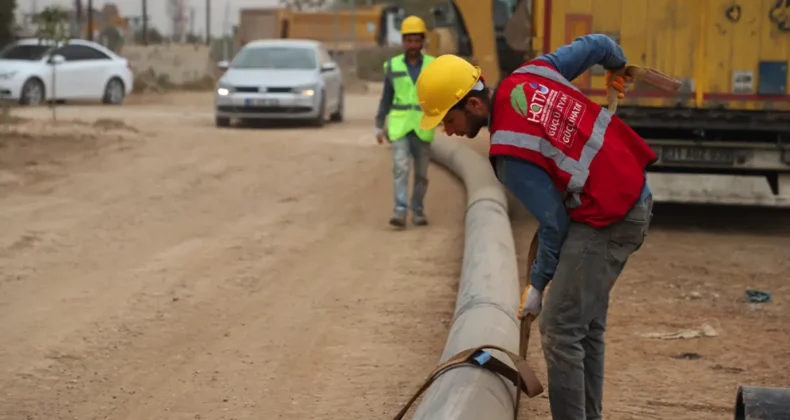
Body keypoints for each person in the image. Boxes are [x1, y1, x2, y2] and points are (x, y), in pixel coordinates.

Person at [414, 34, 657, 420]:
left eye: (449, 119)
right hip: (629, 195)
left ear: (474, 104)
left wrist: (538, 286)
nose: (447, 131)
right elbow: (597, 43)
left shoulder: (509, 151)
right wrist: (616, 65)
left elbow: (554, 224)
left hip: (610, 217)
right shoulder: (533, 72)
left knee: (561, 328)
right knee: (585, 326)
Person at [375, 15, 436, 228]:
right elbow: (386, 97)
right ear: (403, 42)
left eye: (416, 40)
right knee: (401, 168)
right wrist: (379, 124)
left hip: (423, 126)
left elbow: (440, 94)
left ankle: (417, 210)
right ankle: (400, 212)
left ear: (422, 42)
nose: (412, 44)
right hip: (400, 126)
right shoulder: (393, 66)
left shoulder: (432, 65)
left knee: (421, 174)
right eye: (408, 40)